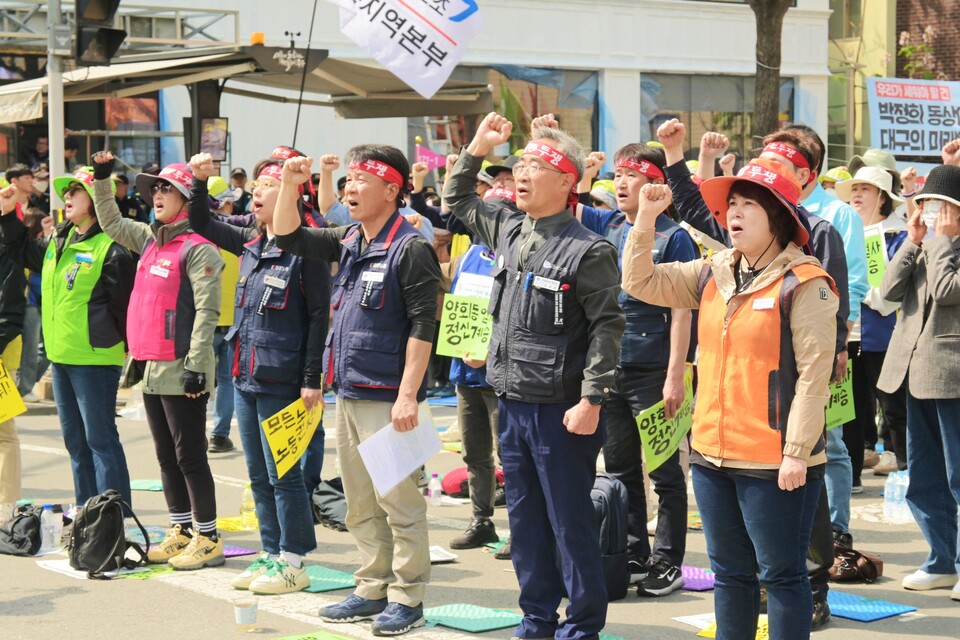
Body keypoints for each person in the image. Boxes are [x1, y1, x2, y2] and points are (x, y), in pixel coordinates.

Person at [623, 160, 837, 640]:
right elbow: (639, 282)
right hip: (711, 453)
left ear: (779, 216)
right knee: (732, 575)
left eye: (748, 205)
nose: (733, 214)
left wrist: (797, 452)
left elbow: (813, 378)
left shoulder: (804, 283)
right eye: (731, 205)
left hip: (775, 460)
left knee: (781, 576)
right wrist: (645, 220)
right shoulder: (713, 271)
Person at [445, 112, 625, 639]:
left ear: (568, 182)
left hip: (562, 410)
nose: (520, 173)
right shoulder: (506, 226)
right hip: (511, 399)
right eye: (519, 164)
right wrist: (476, 146)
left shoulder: (588, 250)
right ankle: (537, 618)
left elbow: (607, 330)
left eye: (534, 166)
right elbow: (457, 200)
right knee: (524, 523)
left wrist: (592, 398)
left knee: (569, 524)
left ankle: (583, 624)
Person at [274, 146, 440, 636]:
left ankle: (407, 597)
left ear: (392, 190)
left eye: (360, 180)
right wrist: (289, 182)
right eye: (346, 180)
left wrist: (408, 394)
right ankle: (371, 588)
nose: (349, 188)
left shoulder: (409, 247)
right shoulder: (349, 238)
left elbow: (423, 324)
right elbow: (287, 233)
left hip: (389, 396)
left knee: (400, 503)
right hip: (348, 390)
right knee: (360, 503)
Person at [188, 152, 330, 593]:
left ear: (290, 194)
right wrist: (198, 181)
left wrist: (311, 378)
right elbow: (202, 224)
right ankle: (270, 553)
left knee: (284, 475)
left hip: (283, 378)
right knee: (257, 473)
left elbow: (319, 316)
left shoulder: (307, 245)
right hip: (246, 374)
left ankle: (294, 559)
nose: (256, 196)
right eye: (256, 189)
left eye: (266, 188)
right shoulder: (251, 242)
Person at [91, 151, 225, 570]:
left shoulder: (199, 250)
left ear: (187, 198)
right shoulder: (149, 239)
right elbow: (111, 221)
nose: (157, 194)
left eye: (167, 188)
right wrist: (101, 179)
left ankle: (208, 536)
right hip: (149, 362)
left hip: (182, 363)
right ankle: (181, 529)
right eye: (155, 188)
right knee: (166, 455)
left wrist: (196, 366)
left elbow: (207, 313)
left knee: (190, 455)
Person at [587, 142, 699, 597]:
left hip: (654, 370)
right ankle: (632, 547)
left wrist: (676, 375)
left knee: (665, 469)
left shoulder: (675, 236)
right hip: (613, 366)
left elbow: (682, 312)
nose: (620, 184)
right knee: (619, 467)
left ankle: (668, 559)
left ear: (656, 185)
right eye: (617, 175)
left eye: (631, 175)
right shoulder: (614, 229)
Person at [0, 166, 135, 508]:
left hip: (94, 360)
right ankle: (86, 515)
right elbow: (19, 249)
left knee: (101, 441)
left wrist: (115, 346)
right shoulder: (58, 240)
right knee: (75, 443)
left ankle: (113, 517)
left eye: (76, 190)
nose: (67, 197)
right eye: (67, 191)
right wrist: (5, 214)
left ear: (95, 198)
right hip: (61, 359)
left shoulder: (113, 246)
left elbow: (124, 309)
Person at [877, 164, 960, 599]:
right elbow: (887, 292)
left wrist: (942, 240)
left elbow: (947, 290)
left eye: (936, 205)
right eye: (924, 204)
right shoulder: (925, 243)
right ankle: (941, 560)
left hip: (953, 376)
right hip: (914, 371)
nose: (927, 212)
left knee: (958, 474)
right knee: (925, 476)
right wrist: (912, 242)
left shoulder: (947, 247)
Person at [834, 167, 908, 497]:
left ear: (883, 197)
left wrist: (861, 289)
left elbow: (894, 293)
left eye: (866, 188)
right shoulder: (841, 232)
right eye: (855, 188)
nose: (858, 194)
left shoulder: (897, 236)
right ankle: (850, 476)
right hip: (847, 334)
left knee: (893, 406)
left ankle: (908, 471)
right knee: (848, 408)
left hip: (883, 334)